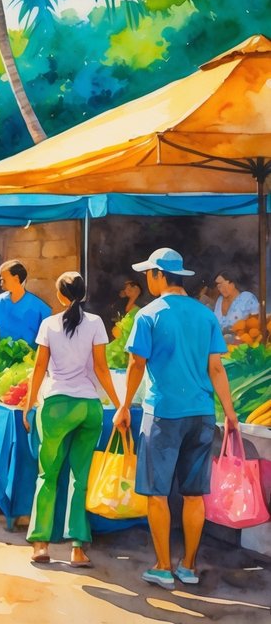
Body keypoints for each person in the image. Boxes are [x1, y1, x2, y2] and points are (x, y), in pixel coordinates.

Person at [114, 248, 238, 590]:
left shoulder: (148, 315)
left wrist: (124, 405)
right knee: (194, 494)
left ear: (158, 275)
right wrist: (230, 413)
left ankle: (162, 567)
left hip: (163, 414)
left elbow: (136, 364)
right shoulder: (205, 315)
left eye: (148, 274)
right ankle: (189, 566)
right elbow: (216, 368)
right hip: (201, 414)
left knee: (157, 493)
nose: (146, 280)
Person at [23, 272, 122, 567]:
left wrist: (29, 404)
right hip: (89, 408)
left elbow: (39, 368)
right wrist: (120, 405)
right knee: (80, 478)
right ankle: (77, 548)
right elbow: (102, 369)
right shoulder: (96, 323)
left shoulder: (49, 324)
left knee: (48, 476)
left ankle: (41, 544)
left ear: (60, 295)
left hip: (56, 406)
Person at [0, 260, 52, 345]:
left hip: (31, 353)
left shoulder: (41, 308)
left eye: (3, 279)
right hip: (3, 352)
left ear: (16, 279)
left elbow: (48, 340)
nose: (1, 282)